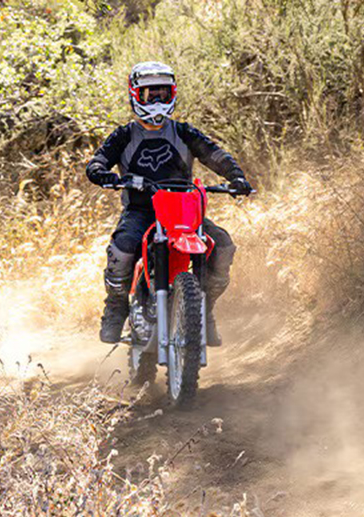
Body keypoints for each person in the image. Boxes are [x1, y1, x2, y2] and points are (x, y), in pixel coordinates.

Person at [86, 61, 252, 346]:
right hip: (141, 210)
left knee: (222, 246)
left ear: (173, 93)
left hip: (183, 209)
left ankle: (204, 311)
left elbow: (214, 154)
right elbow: (97, 163)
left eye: (163, 93)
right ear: (136, 95)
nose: (158, 100)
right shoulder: (124, 135)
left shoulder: (184, 132)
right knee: (122, 249)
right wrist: (106, 175)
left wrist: (235, 176)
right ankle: (115, 307)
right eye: (151, 95)